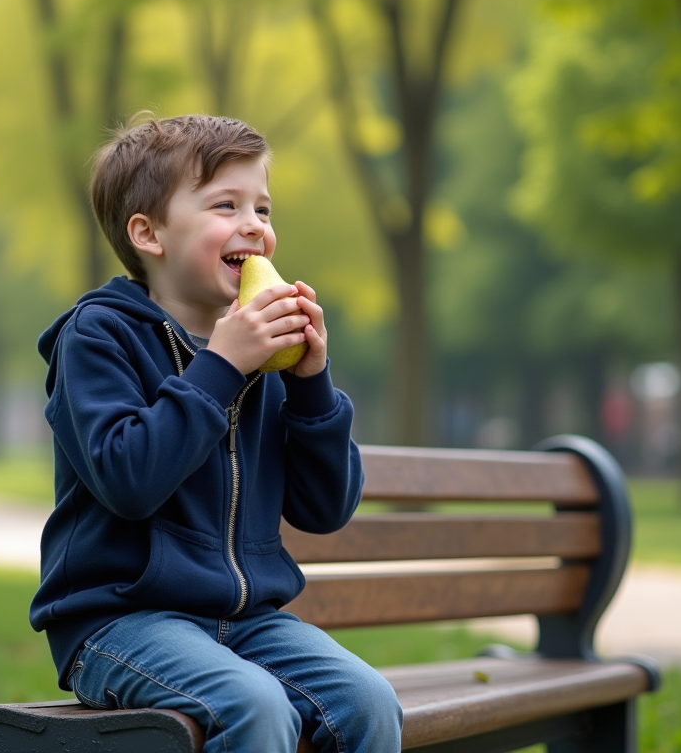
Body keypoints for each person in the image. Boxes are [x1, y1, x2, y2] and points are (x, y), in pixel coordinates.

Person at [30, 114, 402, 753]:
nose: (254, 224)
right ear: (149, 234)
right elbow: (128, 480)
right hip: (120, 621)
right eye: (225, 205)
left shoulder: (258, 348)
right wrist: (223, 366)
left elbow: (324, 508)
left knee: (369, 703)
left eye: (262, 206)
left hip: (245, 622)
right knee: (254, 707)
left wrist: (311, 380)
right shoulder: (97, 337)